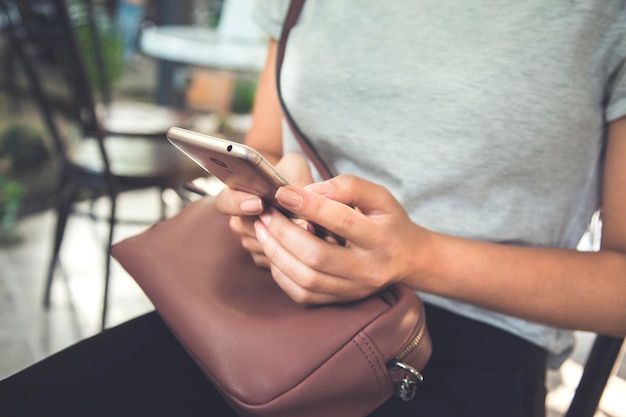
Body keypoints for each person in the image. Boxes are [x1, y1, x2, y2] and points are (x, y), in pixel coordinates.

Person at [1, 1, 626, 416]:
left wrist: (417, 257)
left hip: (468, 340)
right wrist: (269, 203)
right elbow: (270, 147)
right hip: (274, 301)